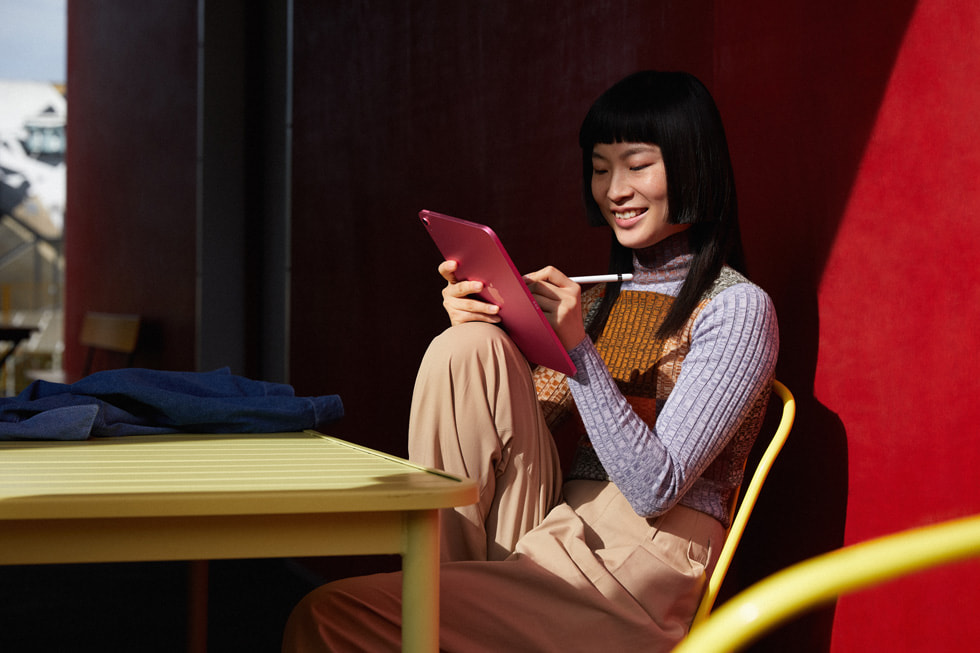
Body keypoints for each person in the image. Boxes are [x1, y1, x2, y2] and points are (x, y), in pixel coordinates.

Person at [282, 70, 778, 652]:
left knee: (327, 614)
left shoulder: (738, 307)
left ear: (694, 164)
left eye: (638, 165)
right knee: (465, 349)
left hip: (637, 570)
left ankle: (432, 613)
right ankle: (437, 587)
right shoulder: (596, 302)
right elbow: (514, 433)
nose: (616, 189)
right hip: (552, 533)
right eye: (599, 169)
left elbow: (656, 488)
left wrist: (576, 350)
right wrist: (489, 329)